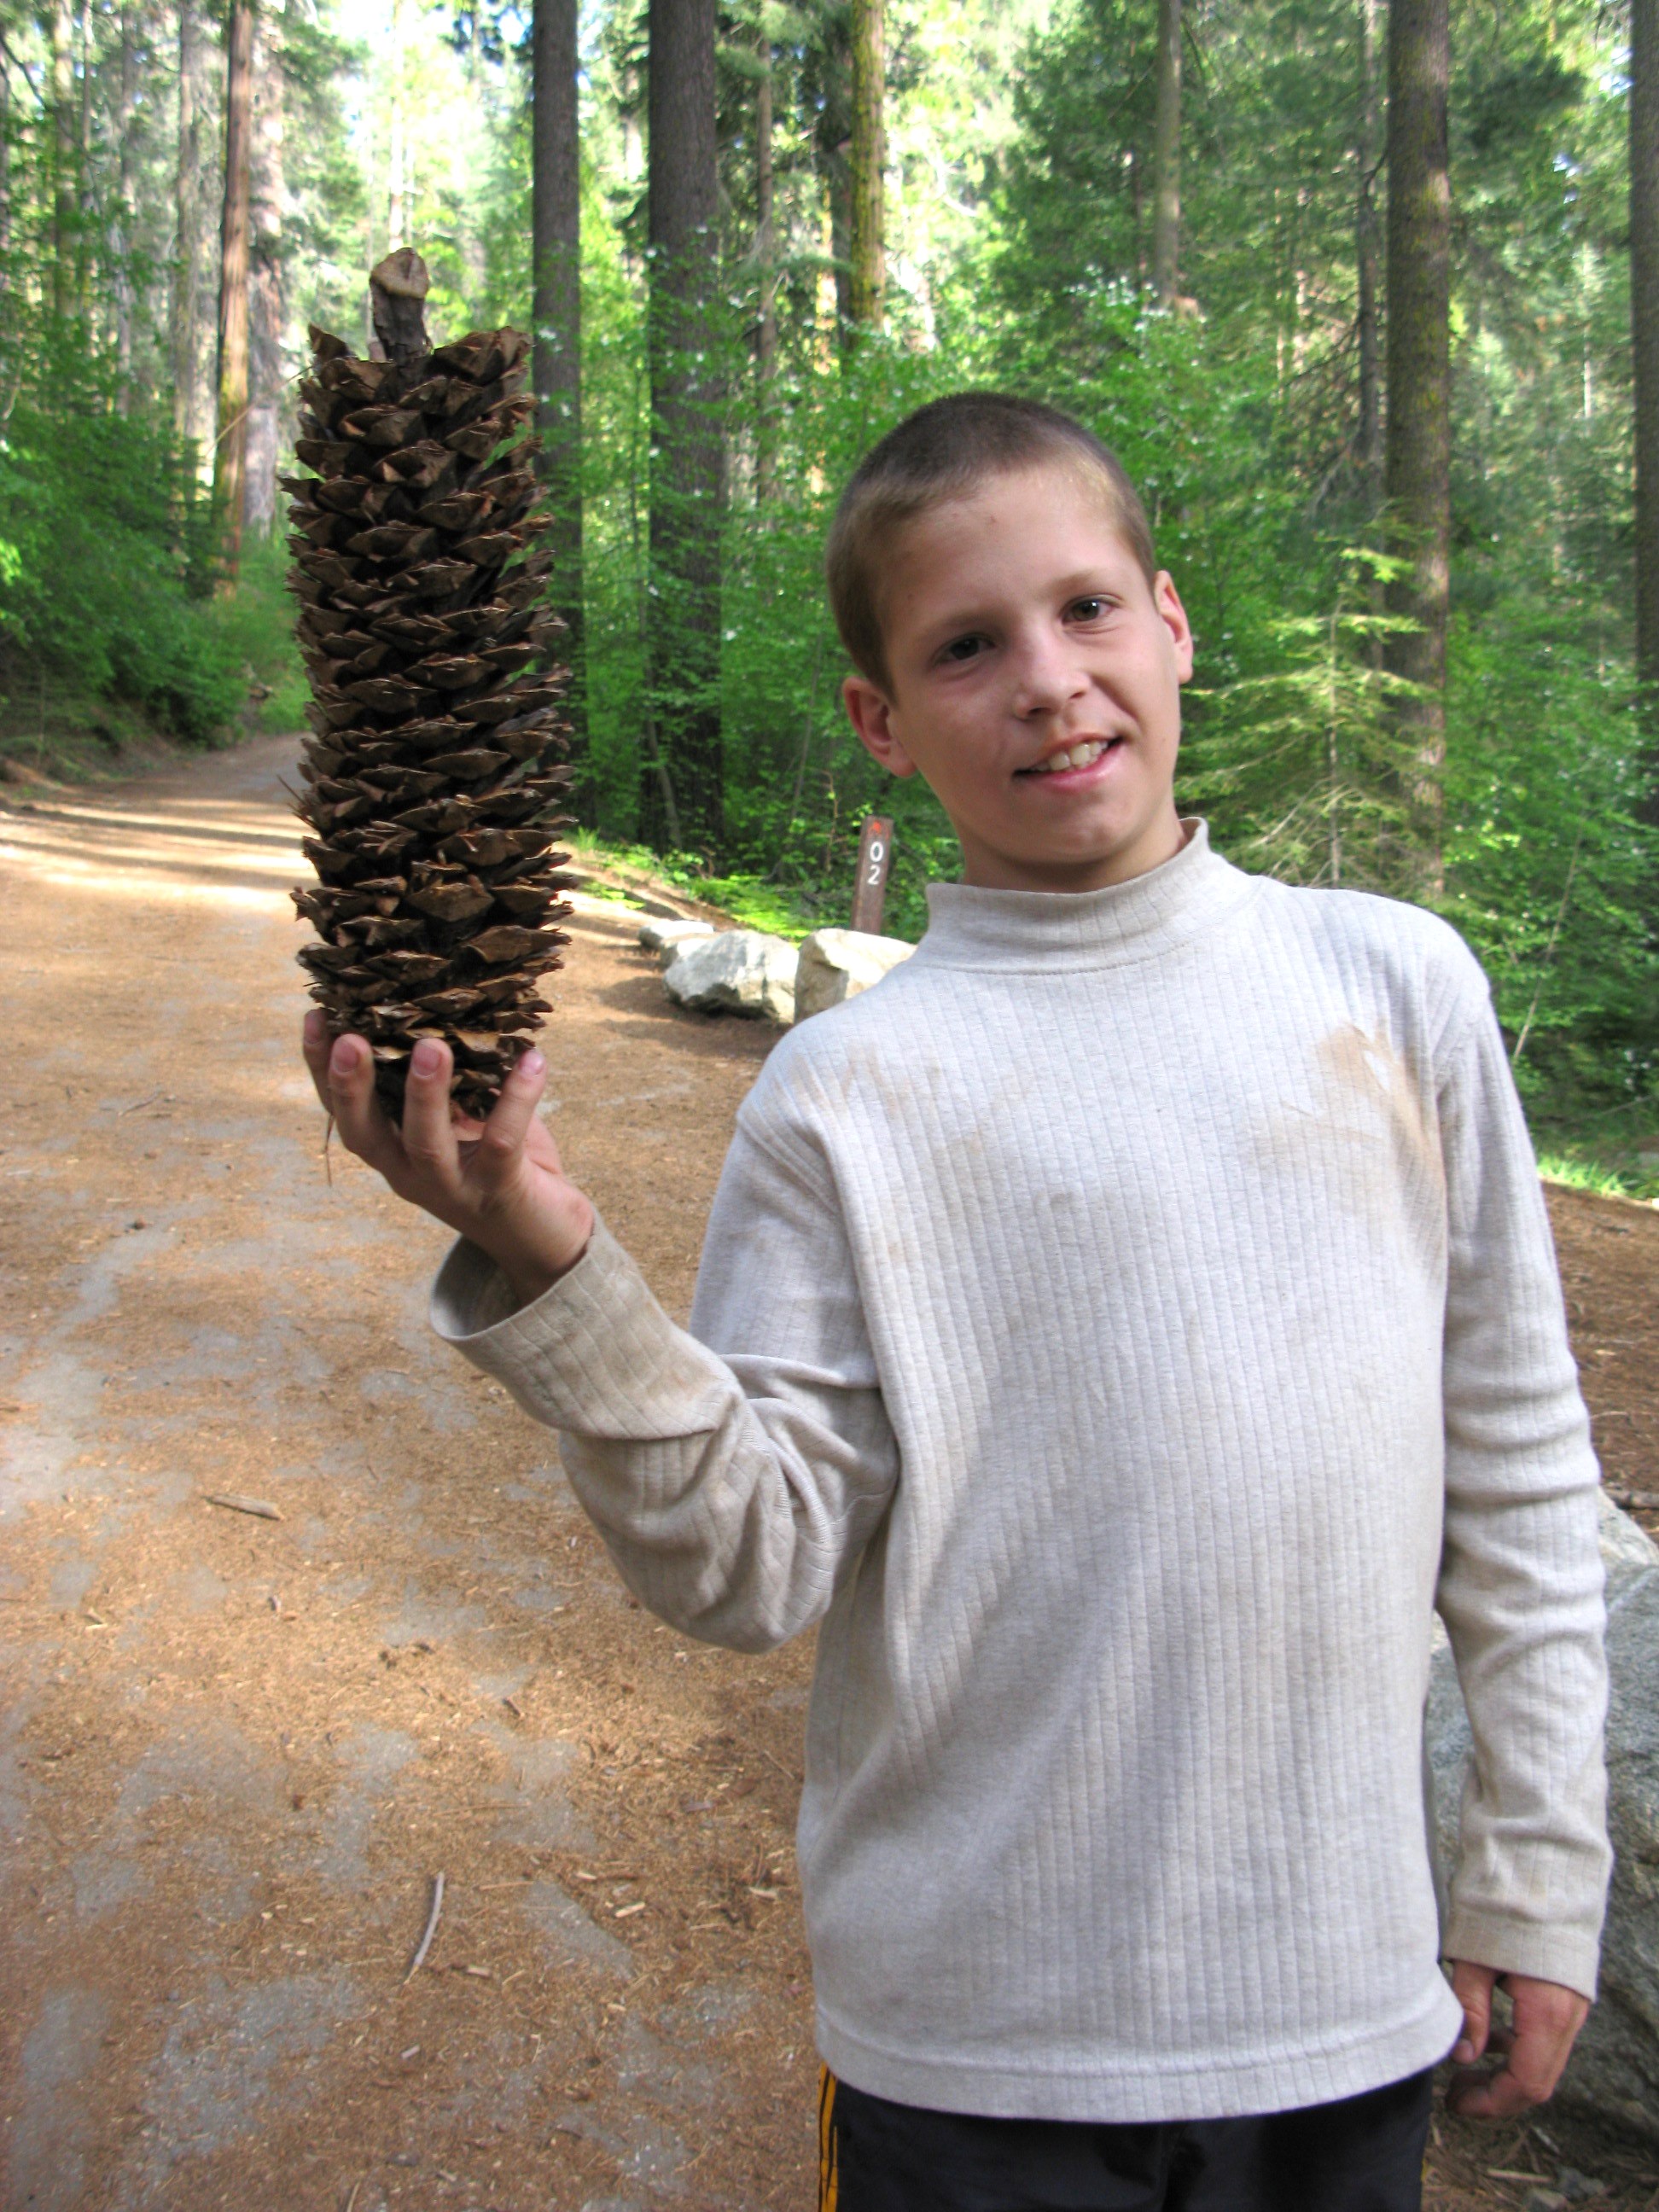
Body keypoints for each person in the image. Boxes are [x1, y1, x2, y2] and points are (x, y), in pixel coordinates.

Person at [303, 393, 1610, 2212]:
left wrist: (1536, 1882)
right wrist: (550, 1258)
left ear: (1171, 620)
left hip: (1342, 2019)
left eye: (1086, 611)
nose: (1048, 681)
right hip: (976, 2059)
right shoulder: (850, 1095)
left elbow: (1527, 1484)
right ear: (883, 723)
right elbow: (747, 1565)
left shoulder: (1394, 988)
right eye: (966, 645)